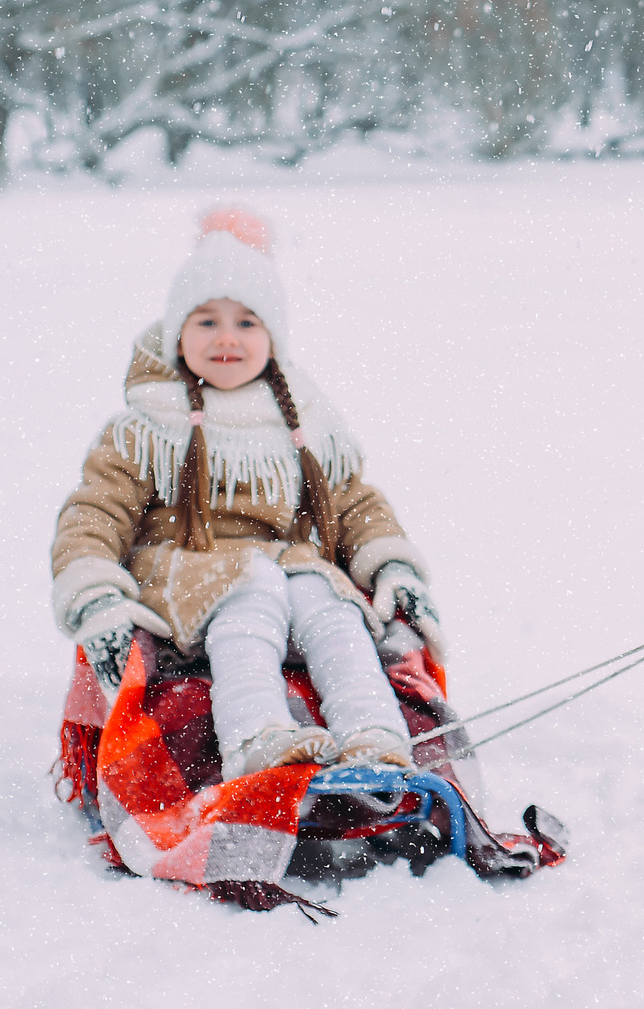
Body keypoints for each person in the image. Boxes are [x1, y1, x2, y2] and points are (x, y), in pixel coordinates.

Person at [49, 207, 446, 779]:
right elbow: (94, 514)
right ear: (177, 333)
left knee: (329, 604)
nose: (226, 339)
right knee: (253, 590)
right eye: (206, 321)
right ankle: (256, 736)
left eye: (247, 323)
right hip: (186, 574)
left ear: (272, 337)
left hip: (288, 570)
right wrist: (94, 594)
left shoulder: (302, 422)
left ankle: (374, 735)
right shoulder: (145, 426)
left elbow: (355, 503)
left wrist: (394, 569)